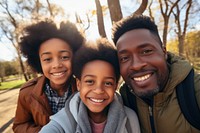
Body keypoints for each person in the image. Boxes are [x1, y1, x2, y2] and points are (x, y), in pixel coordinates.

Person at [112, 15, 200, 133]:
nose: (136, 65)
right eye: (124, 58)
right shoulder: (124, 100)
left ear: (164, 52)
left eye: (146, 51)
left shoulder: (194, 90)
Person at [39, 38, 141, 133]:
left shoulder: (130, 119)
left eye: (108, 83)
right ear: (79, 84)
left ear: (116, 86)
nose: (98, 90)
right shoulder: (63, 121)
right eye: (90, 81)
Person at [12, 20, 85, 133]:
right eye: (47, 59)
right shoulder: (27, 93)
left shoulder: (85, 88)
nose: (56, 65)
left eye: (64, 57)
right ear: (38, 61)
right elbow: (19, 125)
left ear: (75, 56)